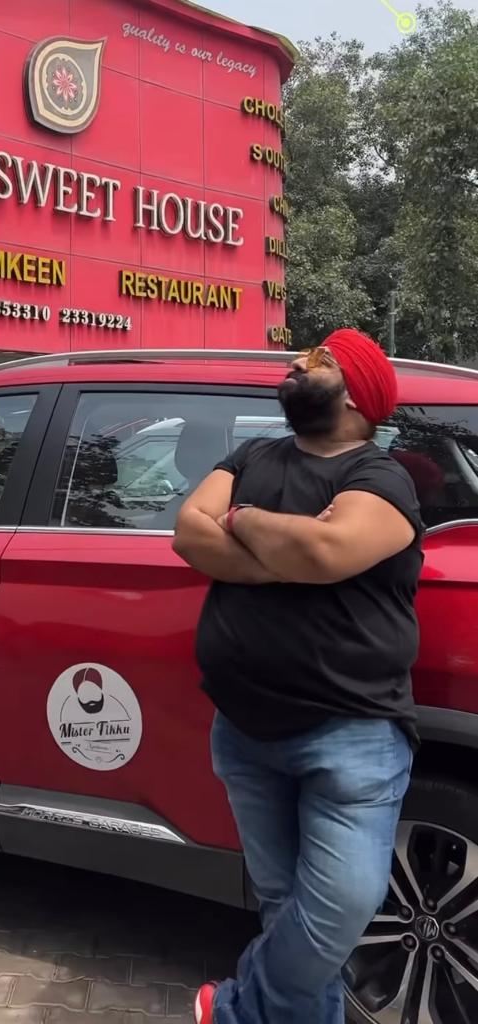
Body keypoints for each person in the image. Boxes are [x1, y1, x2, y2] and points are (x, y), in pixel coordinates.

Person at [173, 329, 423, 1024]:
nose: (295, 363)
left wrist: (241, 518)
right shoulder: (252, 454)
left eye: (319, 360)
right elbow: (188, 532)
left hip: (351, 731)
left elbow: (327, 550)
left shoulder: (379, 477)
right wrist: (282, 556)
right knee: (283, 904)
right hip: (243, 726)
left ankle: (234, 1008)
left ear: (357, 398)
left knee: (342, 905)